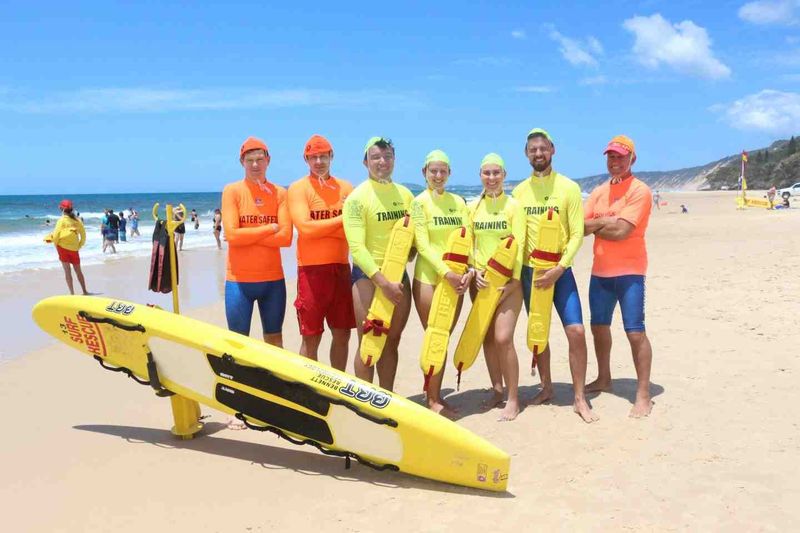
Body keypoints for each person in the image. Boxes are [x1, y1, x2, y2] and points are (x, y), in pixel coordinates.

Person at [512, 128, 597, 423]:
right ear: (526, 154)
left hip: (561, 271)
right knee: (539, 333)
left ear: (552, 150)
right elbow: (517, 237)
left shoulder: (569, 188)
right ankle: (546, 387)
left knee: (576, 331)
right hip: (529, 273)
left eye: (543, 148)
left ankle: (579, 398)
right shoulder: (519, 192)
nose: (538, 153)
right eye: (533, 149)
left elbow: (576, 234)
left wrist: (560, 267)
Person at [584, 135, 654, 418]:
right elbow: (581, 225)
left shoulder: (640, 191)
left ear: (632, 159)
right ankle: (604, 377)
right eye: (611, 157)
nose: (615, 162)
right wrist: (605, 222)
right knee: (599, 328)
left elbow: (623, 231)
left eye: (621, 157)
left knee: (635, 332)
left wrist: (597, 225)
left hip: (630, 272)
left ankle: (643, 394)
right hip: (600, 272)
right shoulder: (599, 191)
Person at [343, 137, 414, 390]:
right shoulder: (356, 198)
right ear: (365, 161)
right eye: (376, 157)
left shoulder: (405, 195)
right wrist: (382, 282)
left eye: (387, 157)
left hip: (399, 275)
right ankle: (365, 403)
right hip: (368, 277)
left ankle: (386, 398)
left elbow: (413, 235)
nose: (382, 162)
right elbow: (357, 248)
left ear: (394, 159)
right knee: (369, 342)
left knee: (392, 341)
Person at [410, 149, 471, 416]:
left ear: (449, 174)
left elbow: (468, 239)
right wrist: (446, 272)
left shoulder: (458, 202)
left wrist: (467, 269)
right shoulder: (418, 203)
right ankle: (432, 398)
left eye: (442, 171)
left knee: (443, 337)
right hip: (429, 277)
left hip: (456, 278)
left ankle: (434, 395)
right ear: (424, 173)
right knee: (433, 335)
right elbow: (422, 245)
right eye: (433, 171)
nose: (437, 175)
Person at [287, 135, 355, 371]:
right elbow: (305, 229)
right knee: (311, 336)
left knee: (342, 333)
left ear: (331, 157)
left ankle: (337, 385)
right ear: (306, 159)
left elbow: (352, 232)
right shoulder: (298, 188)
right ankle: (309, 390)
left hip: (341, 269)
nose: (319, 161)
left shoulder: (346, 188)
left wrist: (324, 230)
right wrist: (341, 220)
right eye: (313, 157)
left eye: (323, 156)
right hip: (310, 272)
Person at [468, 153, 526, 421]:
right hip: (481, 281)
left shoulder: (514, 206)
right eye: (486, 173)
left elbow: (520, 245)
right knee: (488, 339)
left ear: (504, 175)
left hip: (508, 283)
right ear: (480, 175)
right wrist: (471, 270)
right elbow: (468, 244)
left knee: (503, 338)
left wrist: (514, 283)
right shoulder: (472, 207)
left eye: (496, 173)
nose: (491, 178)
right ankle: (497, 389)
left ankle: (513, 398)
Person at [221, 136, 292, 348]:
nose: (255, 165)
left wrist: (246, 235)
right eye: (249, 159)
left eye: (260, 159)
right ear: (241, 161)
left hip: (273, 281)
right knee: (238, 344)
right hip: (238, 281)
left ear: (268, 161)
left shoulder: (280, 193)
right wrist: (269, 228)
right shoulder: (232, 191)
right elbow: (232, 236)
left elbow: (286, 238)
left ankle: (272, 381)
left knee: (274, 340)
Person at [48, 199, 89, 295]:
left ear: (61, 208)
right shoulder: (77, 220)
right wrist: (79, 245)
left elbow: (56, 235)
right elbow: (83, 234)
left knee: (67, 271)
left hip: (62, 248)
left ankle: (72, 293)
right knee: (78, 271)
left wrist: (55, 244)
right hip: (74, 249)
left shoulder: (61, 220)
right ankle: (84, 291)